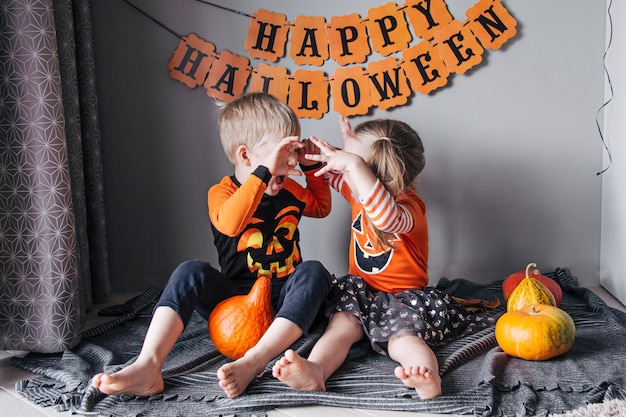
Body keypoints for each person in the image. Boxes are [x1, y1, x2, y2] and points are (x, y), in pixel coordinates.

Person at [91, 92, 333, 399]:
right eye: (283, 151)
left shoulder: (292, 190)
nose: (290, 159)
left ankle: (254, 361)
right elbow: (230, 223)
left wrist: (311, 167)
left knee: (315, 271)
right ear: (246, 157)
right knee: (191, 270)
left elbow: (321, 207)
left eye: (294, 149)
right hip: (235, 302)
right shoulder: (222, 193)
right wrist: (262, 175)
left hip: (285, 300)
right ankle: (148, 365)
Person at [272, 116, 487, 400]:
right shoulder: (356, 191)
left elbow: (383, 216)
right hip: (361, 295)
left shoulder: (410, 208)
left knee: (404, 340)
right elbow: (327, 173)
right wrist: (310, 156)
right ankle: (316, 370)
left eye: (350, 161)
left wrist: (354, 163)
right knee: (340, 329)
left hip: (403, 299)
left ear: (368, 170)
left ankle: (426, 376)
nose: (343, 165)